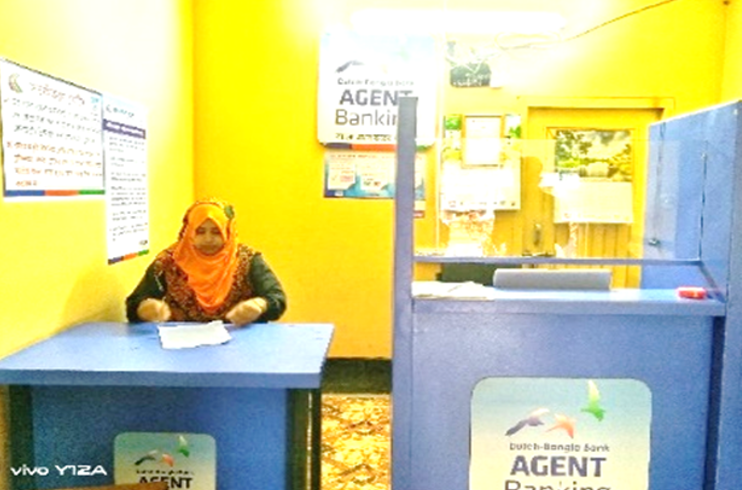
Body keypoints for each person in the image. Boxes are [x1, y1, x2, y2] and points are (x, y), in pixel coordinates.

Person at [126, 198, 286, 326]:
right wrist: (144, 308)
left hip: (239, 340)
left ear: (228, 232)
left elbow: (277, 298)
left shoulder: (248, 260)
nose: (208, 239)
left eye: (216, 232)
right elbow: (134, 303)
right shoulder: (168, 261)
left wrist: (259, 305)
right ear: (188, 232)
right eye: (200, 231)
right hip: (182, 348)